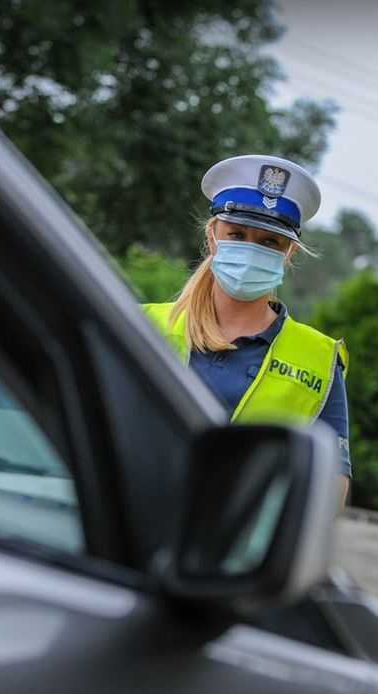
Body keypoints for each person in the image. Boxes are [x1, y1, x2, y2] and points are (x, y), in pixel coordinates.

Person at [143, 155, 351, 503]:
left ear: (289, 252)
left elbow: (331, 488)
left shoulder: (320, 359)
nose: (251, 250)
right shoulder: (144, 325)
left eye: (270, 242)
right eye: (236, 234)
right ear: (212, 235)